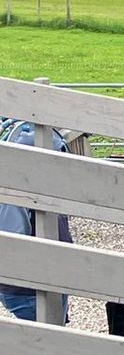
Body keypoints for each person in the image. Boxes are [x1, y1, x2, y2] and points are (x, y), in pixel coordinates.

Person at [0, 118, 73, 323]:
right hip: (30, 281)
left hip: (45, 273)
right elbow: (14, 234)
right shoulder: (20, 180)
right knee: (46, 340)